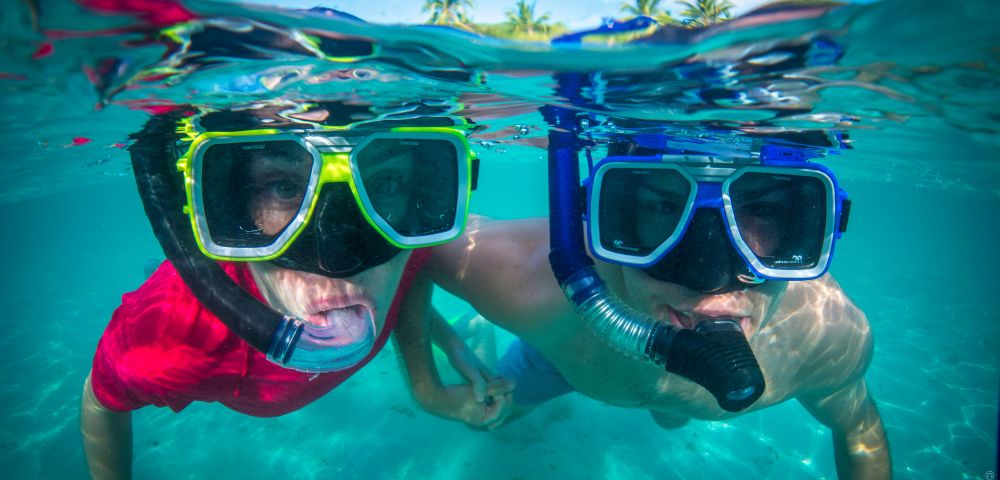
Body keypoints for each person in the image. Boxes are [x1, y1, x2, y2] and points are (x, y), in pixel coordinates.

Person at [80, 106, 512, 479]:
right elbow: (100, 404)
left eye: (386, 184)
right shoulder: (172, 339)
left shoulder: (399, 234)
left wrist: (433, 379)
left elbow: (412, 275)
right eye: (283, 187)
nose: (341, 260)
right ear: (226, 201)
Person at [422, 137, 891, 479]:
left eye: (762, 214)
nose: (707, 280)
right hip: (565, 354)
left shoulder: (828, 338)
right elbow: (409, 249)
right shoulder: (526, 281)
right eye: (662, 209)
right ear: (606, 216)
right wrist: (437, 370)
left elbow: (860, 429)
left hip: (616, 371)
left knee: (671, 417)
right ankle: (480, 328)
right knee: (489, 422)